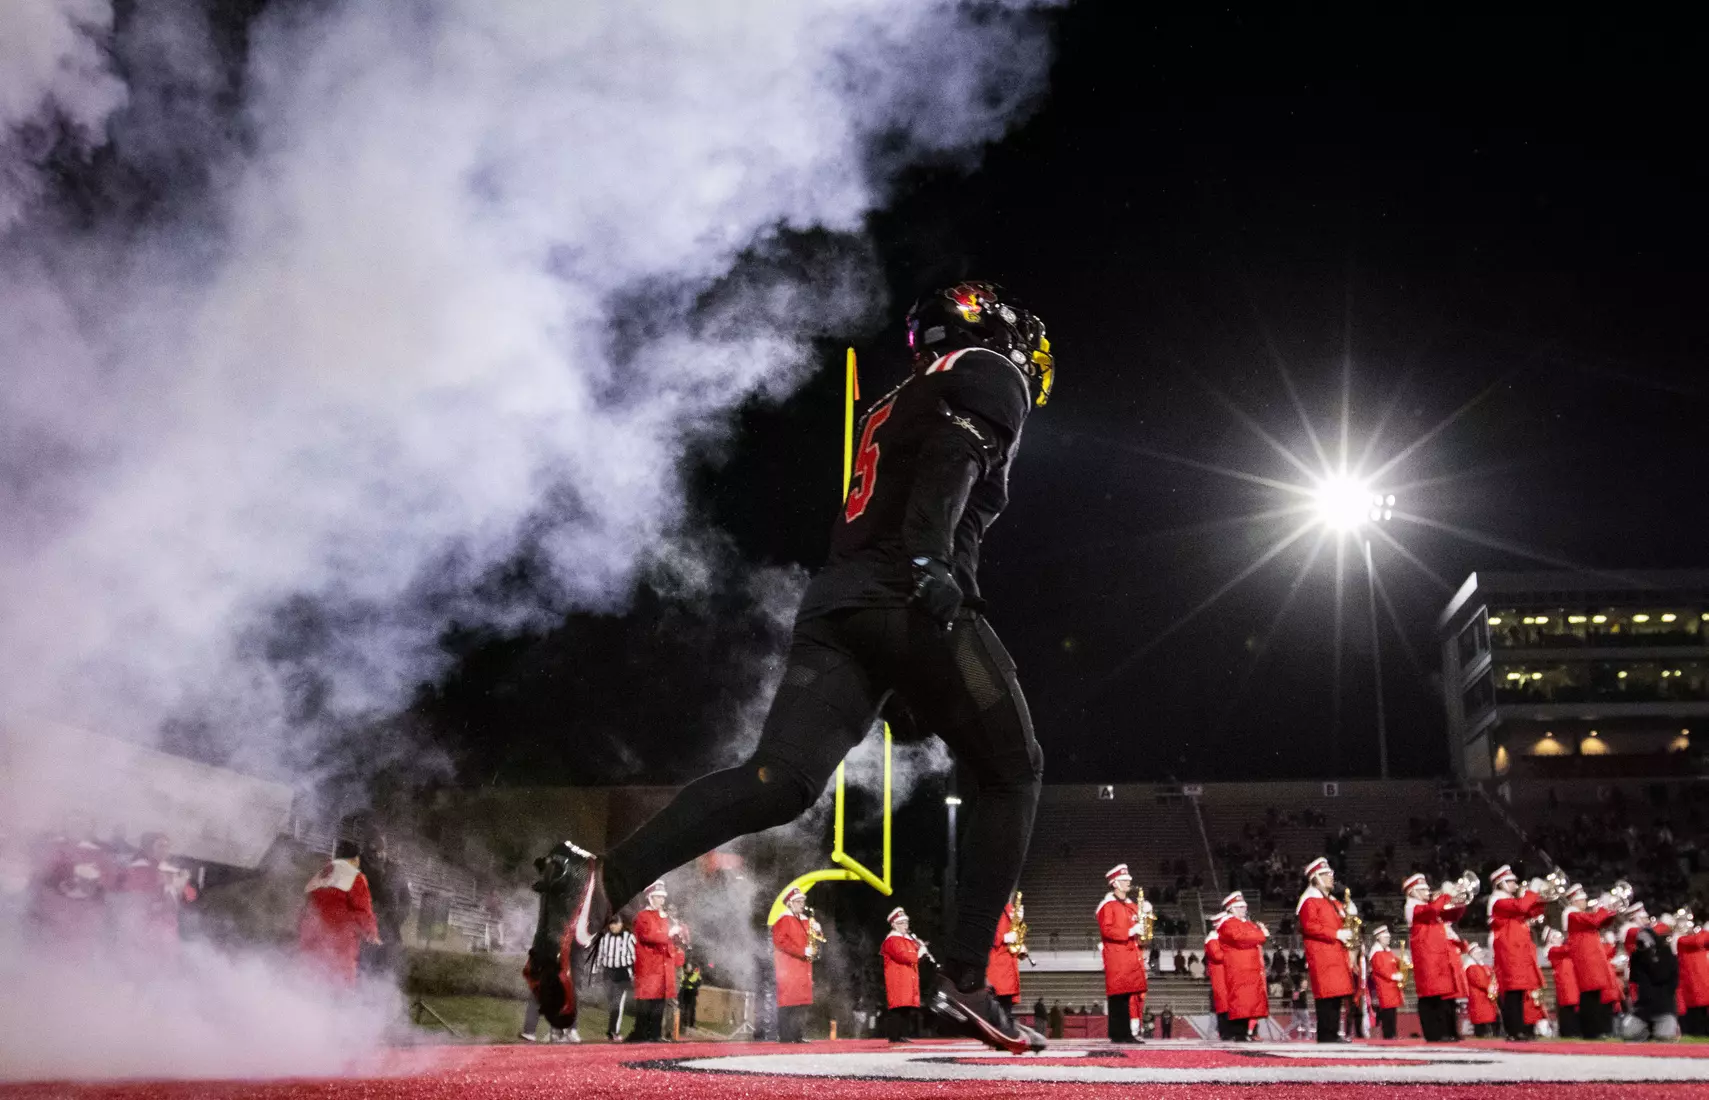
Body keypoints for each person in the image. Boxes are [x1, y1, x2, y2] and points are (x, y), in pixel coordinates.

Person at [528, 282, 1055, 1055]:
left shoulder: (899, 396)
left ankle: (602, 879)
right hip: (907, 592)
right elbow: (953, 455)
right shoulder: (984, 370)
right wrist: (931, 559)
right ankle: (968, 978)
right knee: (1013, 770)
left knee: (780, 779)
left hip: (837, 610)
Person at [297, 840, 380, 987]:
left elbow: (306, 907)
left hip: (313, 937)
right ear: (355, 859)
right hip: (339, 940)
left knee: (311, 985)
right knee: (339, 987)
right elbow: (363, 911)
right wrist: (371, 933)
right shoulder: (355, 877)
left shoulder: (323, 873)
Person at [1296, 858, 1354, 1043]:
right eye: (1326, 875)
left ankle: (1333, 1032)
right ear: (1316, 878)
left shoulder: (1331, 901)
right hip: (1323, 954)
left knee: (1336, 996)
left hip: (1335, 953)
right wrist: (1336, 933)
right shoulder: (1310, 901)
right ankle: (1326, 1034)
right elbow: (1310, 926)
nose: (1331, 878)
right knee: (1327, 998)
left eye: (1331, 874)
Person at [1405, 873, 1467, 1042]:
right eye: (1423, 890)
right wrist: (1446, 894)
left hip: (1437, 956)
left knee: (1441, 996)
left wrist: (1459, 900)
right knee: (1430, 997)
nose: (1428, 892)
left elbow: (1453, 916)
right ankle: (1434, 1033)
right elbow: (1432, 910)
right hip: (1427, 957)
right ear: (1413, 892)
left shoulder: (1428, 906)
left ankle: (1445, 1032)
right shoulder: (1413, 906)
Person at [1486, 867, 1546, 1040]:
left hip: (1517, 950)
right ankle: (1514, 1030)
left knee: (1518, 992)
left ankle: (1519, 1029)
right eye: (1511, 881)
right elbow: (1522, 906)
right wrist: (1533, 891)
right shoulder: (1498, 901)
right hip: (1508, 950)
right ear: (1501, 883)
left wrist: (1540, 899)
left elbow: (1530, 911)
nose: (1515, 884)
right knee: (1512, 992)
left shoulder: (1509, 901)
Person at [1097, 864, 1151, 1043]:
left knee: (1127, 995)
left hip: (1130, 955)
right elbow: (1107, 930)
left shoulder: (1131, 906)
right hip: (1117, 955)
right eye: (1124, 880)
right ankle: (1119, 1034)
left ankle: (1125, 1033)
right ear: (1114, 884)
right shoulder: (1108, 905)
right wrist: (1130, 930)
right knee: (1118, 996)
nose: (1129, 882)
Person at [1564, 883, 1621, 1039]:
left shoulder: (1579, 916)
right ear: (1575, 901)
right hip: (1585, 959)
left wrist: (1611, 910)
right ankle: (1590, 1031)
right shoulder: (1572, 915)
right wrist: (1603, 906)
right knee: (1589, 996)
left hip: (1591, 958)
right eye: (1582, 900)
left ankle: (1595, 1030)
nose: (1584, 903)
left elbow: (1601, 922)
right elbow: (1595, 920)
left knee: (1594, 995)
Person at [1219, 893, 1270, 1041]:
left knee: (1249, 1003)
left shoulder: (1247, 924)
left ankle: (1247, 1032)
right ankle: (1239, 1033)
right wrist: (1260, 935)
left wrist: (1257, 934)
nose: (1243, 909)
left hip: (1250, 970)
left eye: (1244, 906)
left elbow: (1253, 937)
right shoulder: (1227, 924)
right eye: (1239, 907)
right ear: (1231, 909)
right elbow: (1241, 938)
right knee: (1240, 1002)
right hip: (1239, 970)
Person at [629, 882, 676, 1042]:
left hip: (662, 966)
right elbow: (650, 936)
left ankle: (655, 1034)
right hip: (649, 965)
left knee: (659, 1001)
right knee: (646, 1001)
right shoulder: (643, 916)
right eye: (658, 897)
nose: (661, 901)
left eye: (663, 897)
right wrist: (669, 933)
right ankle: (642, 1033)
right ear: (650, 898)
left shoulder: (664, 917)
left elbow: (668, 942)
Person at [772, 887, 817, 1043]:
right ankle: (785, 1036)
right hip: (789, 966)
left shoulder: (805, 920)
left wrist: (817, 933)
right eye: (798, 901)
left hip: (803, 967)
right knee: (788, 1003)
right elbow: (780, 942)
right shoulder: (783, 919)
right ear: (790, 903)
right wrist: (802, 951)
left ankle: (798, 1035)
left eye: (802, 901)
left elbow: (810, 941)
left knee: (800, 1003)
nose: (801, 904)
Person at [1623, 925, 1680, 1041]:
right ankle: (1647, 1032)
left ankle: (1659, 1030)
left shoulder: (1666, 953)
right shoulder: (1638, 957)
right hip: (1643, 1008)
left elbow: (1660, 976)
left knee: (1665, 1037)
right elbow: (1634, 977)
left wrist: (1651, 956)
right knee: (1628, 1034)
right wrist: (1643, 955)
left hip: (1664, 1007)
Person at [588, 914, 636, 1041]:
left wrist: (635, 973)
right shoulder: (604, 939)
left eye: (616, 923)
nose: (613, 926)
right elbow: (599, 957)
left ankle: (613, 1031)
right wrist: (594, 973)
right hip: (608, 973)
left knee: (617, 1003)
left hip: (622, 973)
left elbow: (635, 956)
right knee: (611, 1003)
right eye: (611, 924)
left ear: (621, 924)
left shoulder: (629, 937)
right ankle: (612, 1030)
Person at [881, 907, 922, 1043]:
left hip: (907, 979)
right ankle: (894, 1036)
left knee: (906, 1008)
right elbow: (905, 956)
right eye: (902, 923)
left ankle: (902, 1034)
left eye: (906, 923)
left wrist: (919, 948)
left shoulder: (906, 939)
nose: (905, 926)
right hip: (898, 980)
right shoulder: (892, 940)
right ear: (894, 925)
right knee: (898, 1008)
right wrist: (919, 953)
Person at [1367, 925, 1406, 1039]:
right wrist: (1392, 976)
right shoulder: (1376, 954)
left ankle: (1392, 1033)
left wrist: (1403, 962)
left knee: (1392, 1011)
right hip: (1384, 987)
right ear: (1379, 938)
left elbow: (1394, 961)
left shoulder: (1387, 952)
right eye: (1385, 938)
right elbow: (1380, 969)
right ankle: (1388, 1034)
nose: (1388, 939)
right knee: (1387, 1012)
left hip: (1391, 987)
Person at [989, 891, 1023, 1011]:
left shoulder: (1009, 909)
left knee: (1005, 1013)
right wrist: (1004, 938)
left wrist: (1020, 945)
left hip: (1008, 971)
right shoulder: (991, 907)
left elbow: (1014, 933)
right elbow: (985, 935)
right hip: (998, 971)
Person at [1543, 927, 1580, 1038]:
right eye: (1556, 937)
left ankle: (1574, 1030)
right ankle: (1568, 1032)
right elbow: (1566, 950)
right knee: (1567, 1008)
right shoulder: (1553, 950)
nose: (1560, 939)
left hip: (1571, 981)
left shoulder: (1560, 949)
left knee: (1573, 1007)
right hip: (1564, 983)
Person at [1676, 917, 1709, 1036]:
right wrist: (1706, 931)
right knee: (1697, 1016)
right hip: (1694, 984)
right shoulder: (1681, 940)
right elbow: (1698, 941)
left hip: (1703, 983)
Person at [1204, 916, 1232, 1039]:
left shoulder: (1222, 939)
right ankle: (1225, 1032)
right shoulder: (1212, 939)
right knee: (1223, 1005)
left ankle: (1229, 1031)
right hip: (1220, 975)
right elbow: (1218, 956)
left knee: (1230, 1005)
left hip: (1227, 974)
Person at [1464, 945, 1500, 1038]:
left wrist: (1494, 986)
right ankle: (1482, 1033)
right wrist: (1489, 986)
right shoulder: (1471, 967)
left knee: (1490, 1015)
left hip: (1486, 995)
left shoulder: (1483, 966)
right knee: (1481, 1016)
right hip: (1478, 996)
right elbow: (1478, 980)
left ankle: (1491, 1032)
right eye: (1478, 952)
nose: (1481, 954)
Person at [680, 962, 703, 1031]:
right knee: (685, 1009)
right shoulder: (683, 974)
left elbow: (699, 982)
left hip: (692, 994)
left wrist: (692, 984)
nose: (690, 968)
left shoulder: (695, 974)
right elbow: (684, 982)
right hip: (685, 993)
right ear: (685, 969)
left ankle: (692, 1024)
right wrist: (691, 984)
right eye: (688, 967)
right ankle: (684, 1024)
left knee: (692, 1009)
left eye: (690, 967)